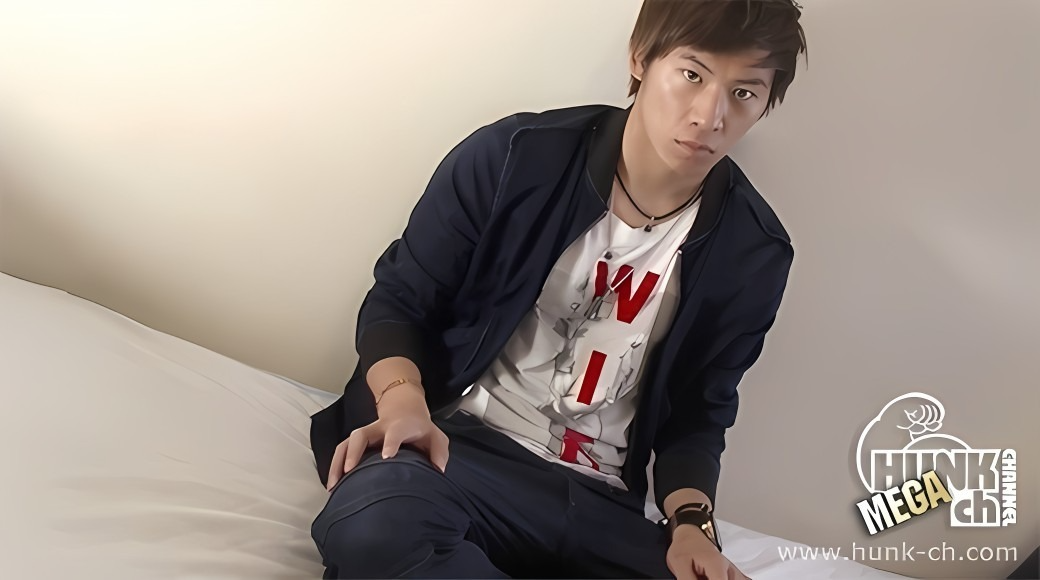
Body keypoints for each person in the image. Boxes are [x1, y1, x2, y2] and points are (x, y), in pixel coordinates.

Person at [309, 0, 807, 577]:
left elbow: (699, 413)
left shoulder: (753, 251)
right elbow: (401, 300)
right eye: (692, 75)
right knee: (374, 528)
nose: (710, 115)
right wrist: (403, 404)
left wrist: (693, 528)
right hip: (456, 454)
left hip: (601, 505)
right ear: (640, 58)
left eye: (744, 92)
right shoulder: (514, 157)